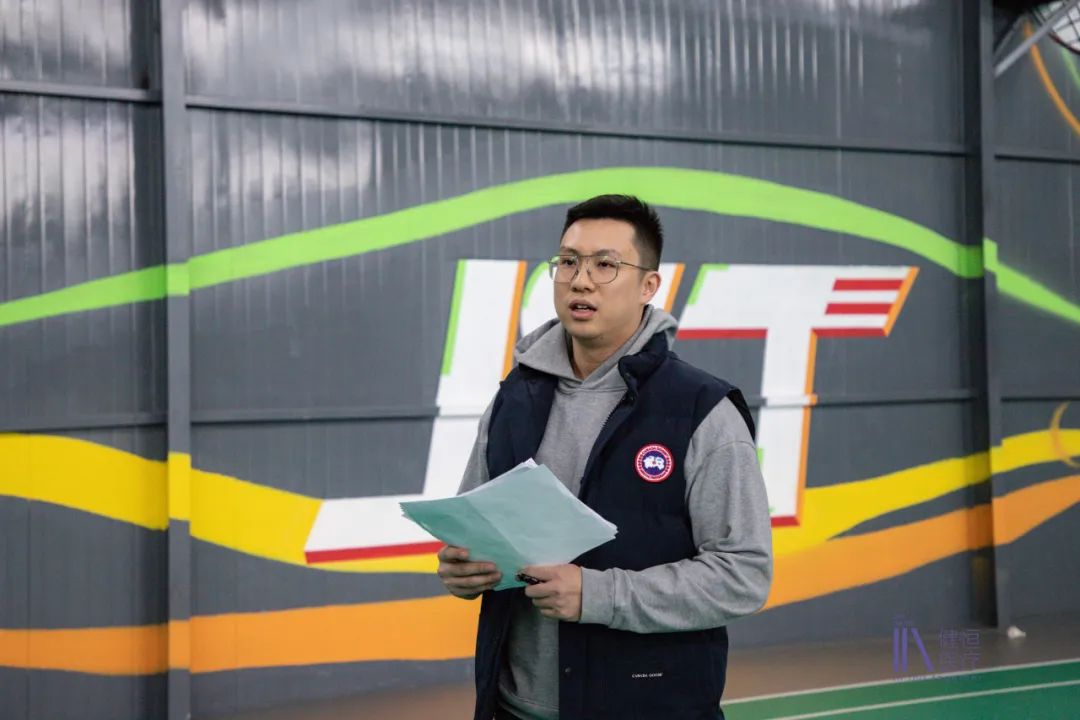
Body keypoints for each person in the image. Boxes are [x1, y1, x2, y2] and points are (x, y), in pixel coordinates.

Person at [437, 195, 773, 720]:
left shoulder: (702, 410)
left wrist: (600, 595)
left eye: (605, 265)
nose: (581, 281)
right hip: (511, 708)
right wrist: (463, 568)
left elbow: (743, 574)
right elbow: (474, 529)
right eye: (568, 262)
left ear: (648, 286)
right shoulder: (513, 398)